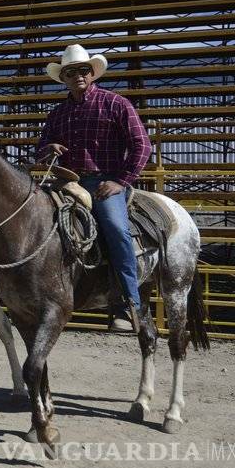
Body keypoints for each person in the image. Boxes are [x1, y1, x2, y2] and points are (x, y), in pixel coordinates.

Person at [36, 43, 153, 332]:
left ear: (92, 74)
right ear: (63, 78)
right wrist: (48, 148)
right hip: (66, 181)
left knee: (116, 229)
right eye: (71, 72)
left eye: (83, 70)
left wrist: (121, 181)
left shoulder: (116, 104)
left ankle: (129, 305)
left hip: (105, 182)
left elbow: (142, 146)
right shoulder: (57, 114)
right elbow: (39, 150)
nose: (78, 75)